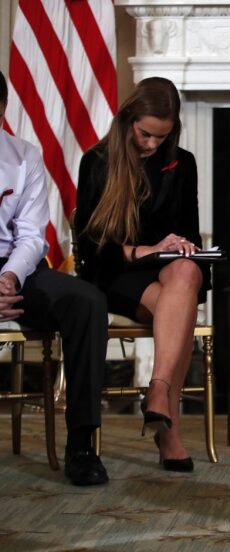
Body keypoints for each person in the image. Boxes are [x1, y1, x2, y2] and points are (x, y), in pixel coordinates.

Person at [75, 77, 209, 473]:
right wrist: (144, 250)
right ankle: (169, 429)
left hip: (167, 274)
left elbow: (188, 229)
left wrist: (182, 247)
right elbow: (91, 251)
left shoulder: (182, 163)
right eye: (145, 133)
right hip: (116, 273)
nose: (151, 144)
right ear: (128, 118)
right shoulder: (96, 162)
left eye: (161, 137)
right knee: (180, 308)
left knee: (186, 270)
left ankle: (157, 391)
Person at [0, 71, 109, 486]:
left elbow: (31, 236)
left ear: (3, 110)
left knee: (87, 300)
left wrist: (9, 277)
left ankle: (82, 445)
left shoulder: (24, 155)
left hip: (18, 267)